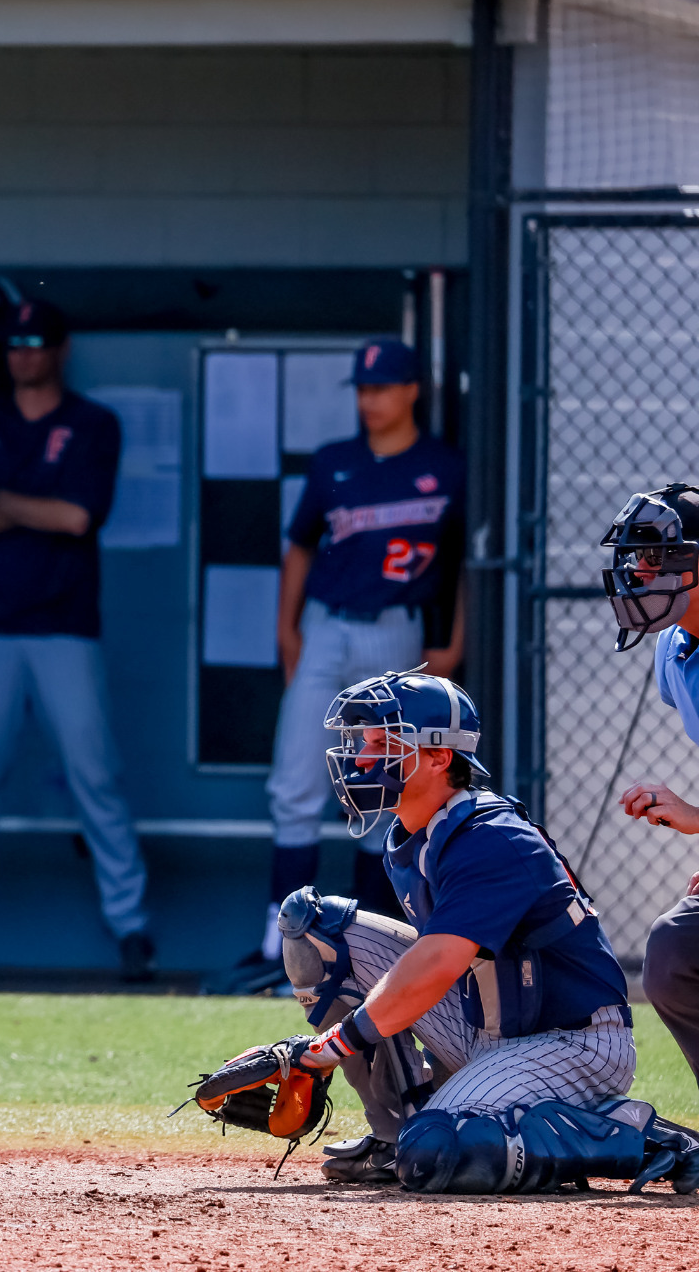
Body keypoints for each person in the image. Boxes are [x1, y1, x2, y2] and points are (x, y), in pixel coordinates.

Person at [275, 669, 699, 1194]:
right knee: (316, 929)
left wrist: (330, 1046)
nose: (363, 758)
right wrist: (327, 1047)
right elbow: (432, 972)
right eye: (363, 742)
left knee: (437, 1150)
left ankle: (646, 1138)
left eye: (384, 742)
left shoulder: (490, 836)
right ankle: (391, 1135)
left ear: (439, 756)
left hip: (572, 1042)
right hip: (490, 1030)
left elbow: (434, 968)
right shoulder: (411, 834)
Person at [209, 338, 466, 996]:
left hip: (398, 633)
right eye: (363, 388)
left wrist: (456, 640)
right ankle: (278, 935)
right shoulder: (335, 462)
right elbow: (298, 547)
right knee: (295, 778)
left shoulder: (445, 465)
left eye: (381, 387)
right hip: (329, 625)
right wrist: (286, 628)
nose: (370, 399)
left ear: (412, 390)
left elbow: (467, 562)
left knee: (383, 790)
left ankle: (369, 934)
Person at [0, 297, 153, 983]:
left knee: (95, 776)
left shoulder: (91, 423)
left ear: (59, 348)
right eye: (14, 344)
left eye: (36, 343)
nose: (24, 354)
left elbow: (77, 516)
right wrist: (22, 506)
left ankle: (132, 926)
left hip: (64, 625)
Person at [596, 484, 699, 1096]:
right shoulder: (673, 649)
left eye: (659, 557)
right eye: (637, 558)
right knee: (675, 954)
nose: (640, 572)